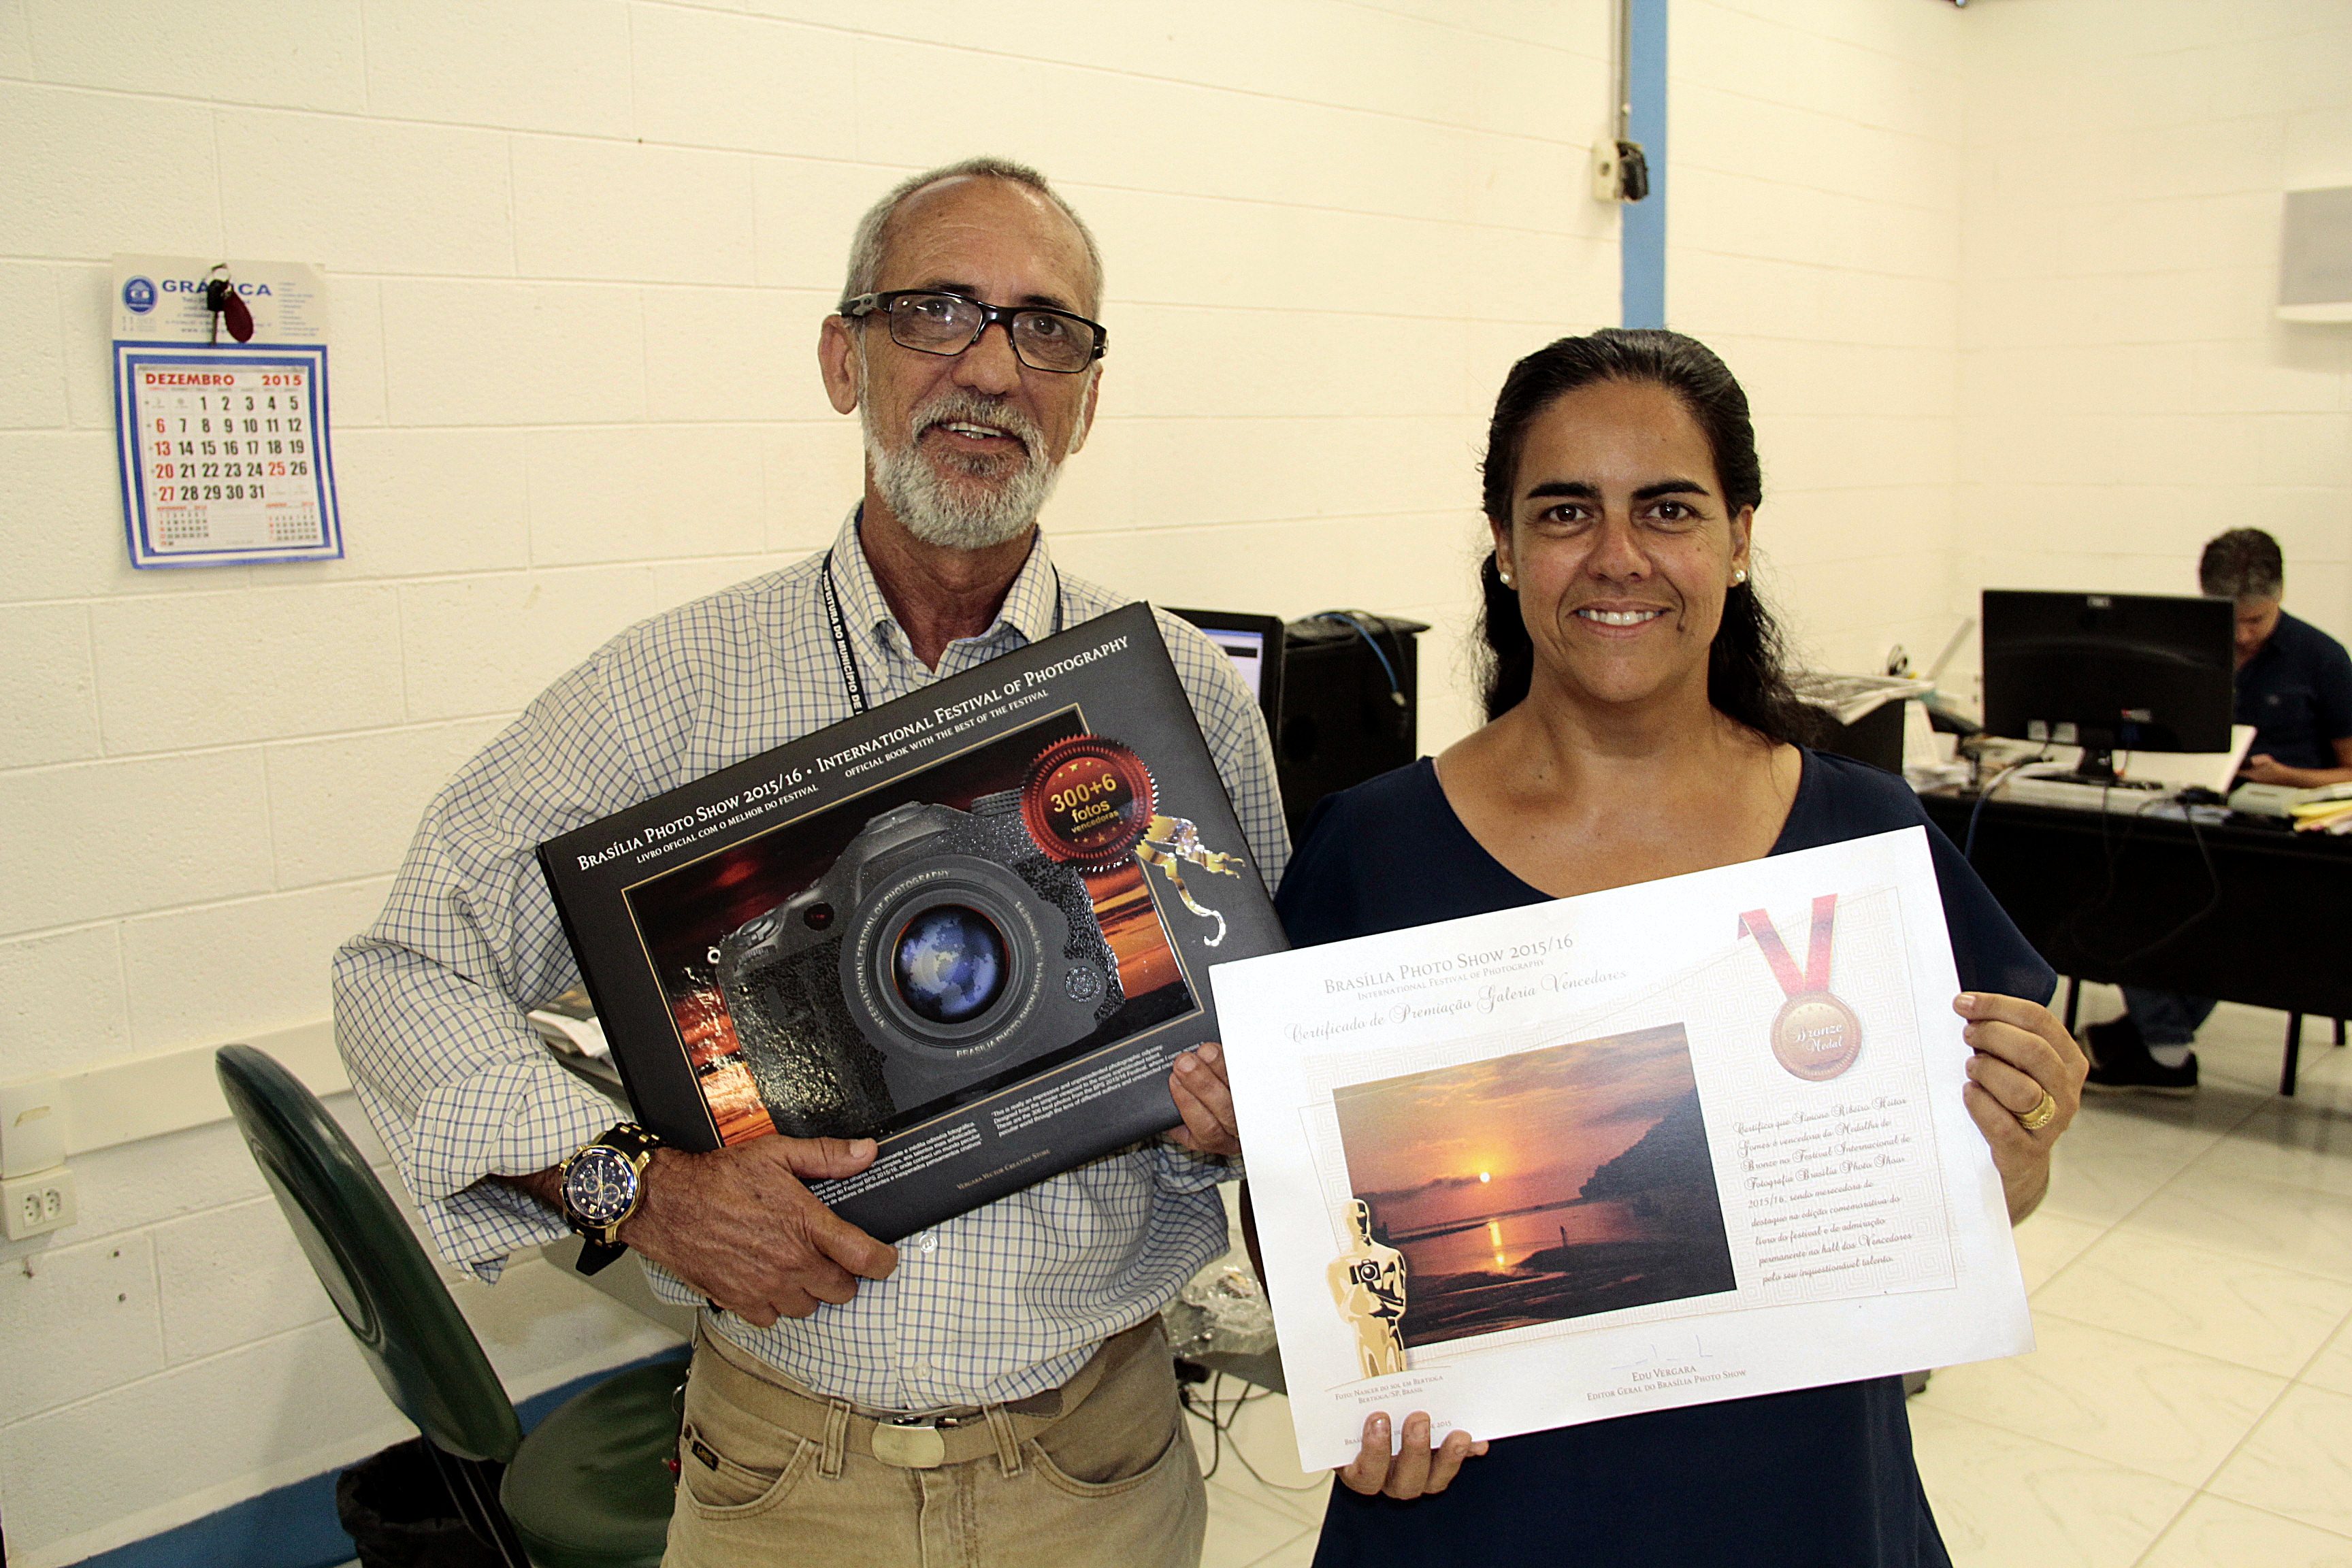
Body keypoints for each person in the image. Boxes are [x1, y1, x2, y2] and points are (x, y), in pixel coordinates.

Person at [332, 158, 1281, 1568]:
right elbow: (400, 973)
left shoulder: (1181, 704)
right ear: (846, 361)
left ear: (1089, 392)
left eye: (1047, 330)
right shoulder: (672, 689)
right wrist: (634, 1191)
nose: (994, 369)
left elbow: (1282, 1046)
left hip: (1106, 1471)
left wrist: (1245, 1102)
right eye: (937, 313)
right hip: (788, 1481)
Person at [1262, 329, 2083, 1567]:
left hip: (1798, 1501)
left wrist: (2018, 1145)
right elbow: (1300, 1222)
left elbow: (1979, 1204)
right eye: (1563, 510)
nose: (1618, 556)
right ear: (1503, 543)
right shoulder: (1371, 848)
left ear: (1738, 537)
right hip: (1477, 1516)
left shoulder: (1862, 839)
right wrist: (1359, 1368)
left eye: (1667, 507)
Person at [2085, 527, 2352, 1092]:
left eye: (2255, 621)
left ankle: (2159, 1042)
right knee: (2118, 881)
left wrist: (2292, 775)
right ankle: (2159, 1036)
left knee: (2225, 911)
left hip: (2280, 837)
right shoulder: (2180, 649)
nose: (2242, 635)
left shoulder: (2322, 659)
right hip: (2187, 815)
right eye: (2229, 620)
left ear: (2279, 598)